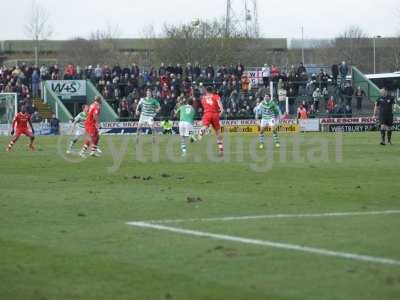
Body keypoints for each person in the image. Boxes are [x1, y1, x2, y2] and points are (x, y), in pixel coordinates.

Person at [198, 86, 224, 156]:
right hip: (215, 114)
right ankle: (221, 150)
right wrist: (221, 111)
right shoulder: (216, 96)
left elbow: (204, 105)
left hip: (207, 113)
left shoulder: (203, 98)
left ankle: (201, 132)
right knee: (218, 133)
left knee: (205, 126)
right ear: (212, 91)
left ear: (206, 91)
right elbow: (220, 106)